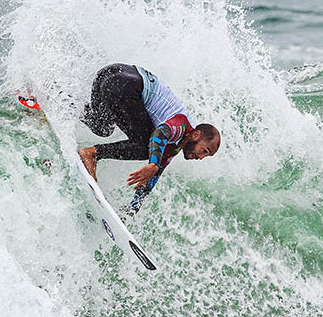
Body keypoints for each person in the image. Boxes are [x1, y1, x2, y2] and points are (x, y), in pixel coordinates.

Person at [78, 63, 220, 214]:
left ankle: (63, 100)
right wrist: (153, 163)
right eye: (204, 150)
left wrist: (131, 210)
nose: (201, 157)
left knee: (102, 127)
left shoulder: (174, 146)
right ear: (196, 135)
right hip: (124, 85)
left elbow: (153, 177)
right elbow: (160, 132)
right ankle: (93, 154)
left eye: (206, 155)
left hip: (109, 75)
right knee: (146, 147)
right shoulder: (182, 125)